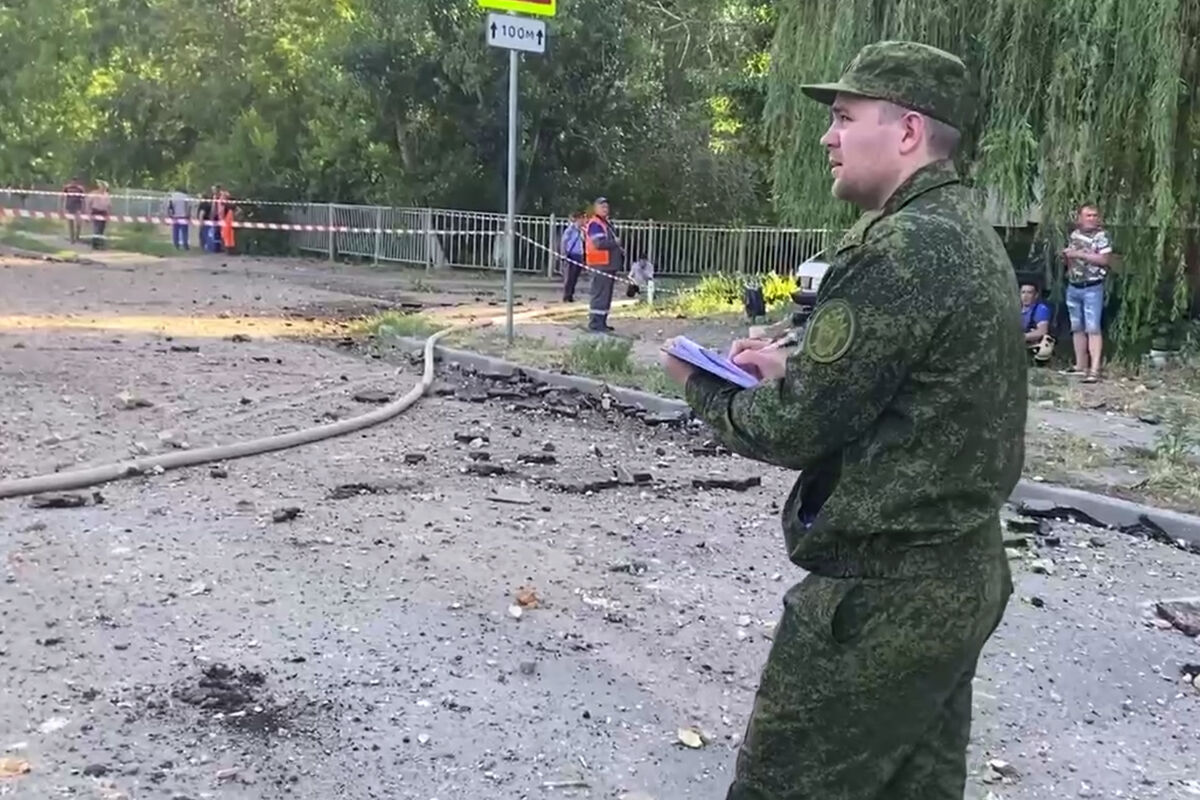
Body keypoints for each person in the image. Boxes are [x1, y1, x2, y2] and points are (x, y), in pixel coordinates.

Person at [659, 40, 1026, 799]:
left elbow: (795, 429)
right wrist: (794, 364)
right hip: (957, 574)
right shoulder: (965, 231)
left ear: (906, 132)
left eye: (843, 116)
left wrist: (704, 386)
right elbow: (917, 387)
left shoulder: (903, 247)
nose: (827, 136)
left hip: (881, 599)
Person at [1062, 204, 1113, 382]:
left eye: (1095, 215)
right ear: (1080, 218)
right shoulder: (1075, 235)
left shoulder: (1102, 236)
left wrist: (1079, 255)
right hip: (1073, 286)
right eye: (1088, 215)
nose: (1092, 218)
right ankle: (1080, 366)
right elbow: (1070, 257)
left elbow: (1104, 259)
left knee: (1093, 328)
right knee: (1077, 327)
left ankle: (1094, 370)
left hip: (1092, 287)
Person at [583, 196, 624, 332]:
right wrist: (615, 243)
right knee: (599, 295)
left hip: (607, 264)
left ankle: (602, 322)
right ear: (595, 209)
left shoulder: (605, 223)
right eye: (602, 207)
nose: (605, 209)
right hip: (600, 264)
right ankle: (595, 324)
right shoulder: (595, 224)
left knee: (605, 295)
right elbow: (599, 243)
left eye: (607, 207)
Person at [1021, 281, 1053, 362]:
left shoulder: (1041, 309)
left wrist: (1020, 337)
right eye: (1023, 292)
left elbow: (1042, 331)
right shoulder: (1016, 308)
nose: (1025, 296)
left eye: (1029, 293)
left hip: (1034, 343)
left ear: (1036, 295)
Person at [560, 211, 586, 301]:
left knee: (575, 276)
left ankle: (570, 294)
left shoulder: (581, 230)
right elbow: (564, 241)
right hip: (571, 255)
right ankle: (566, 295)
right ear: (577, 219)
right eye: (582, 219)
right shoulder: (570, 230)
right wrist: (563, 254)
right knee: (569, 276)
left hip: (579, 254)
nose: (584, 221)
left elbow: (583, 241)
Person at [62, 177, 85, 243]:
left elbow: (83, 199)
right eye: (72, 182)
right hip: (69, 206)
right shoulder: (67, 188)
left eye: (75, 182)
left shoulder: (80, 188)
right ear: (70, 181)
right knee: (70, 223)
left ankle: (77, 236)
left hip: (78, 207)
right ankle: (72, 238)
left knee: (79, 222)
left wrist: (83, 208)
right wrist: (61, 207)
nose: (73, 183)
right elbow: (62, 196)